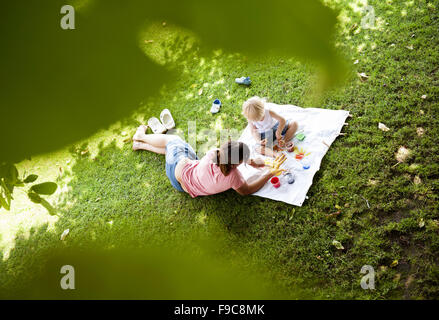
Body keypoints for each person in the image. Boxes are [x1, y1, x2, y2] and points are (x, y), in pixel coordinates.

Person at [132, 125, 274, 196]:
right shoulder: (234, 177)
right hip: (182, 184)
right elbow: (246, 191)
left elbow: (229, 156)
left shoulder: (214, 153)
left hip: (178, 171)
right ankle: (141, 139)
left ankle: (142, 141)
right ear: (236, 163)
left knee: (174, 143)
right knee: (172, 142)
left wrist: (249, 161)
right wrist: (268, 174)